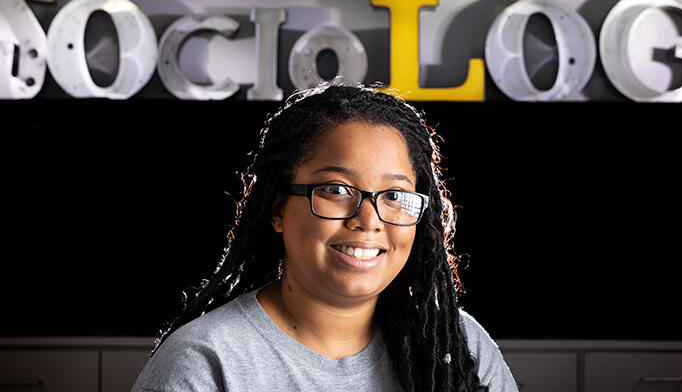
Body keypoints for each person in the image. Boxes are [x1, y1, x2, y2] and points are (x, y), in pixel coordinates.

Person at [131, 83, 519, 392]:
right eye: (336, 189)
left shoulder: (458, 347)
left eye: (395, 195)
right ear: (278, 209)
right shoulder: (206, 363)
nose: (368, 220)